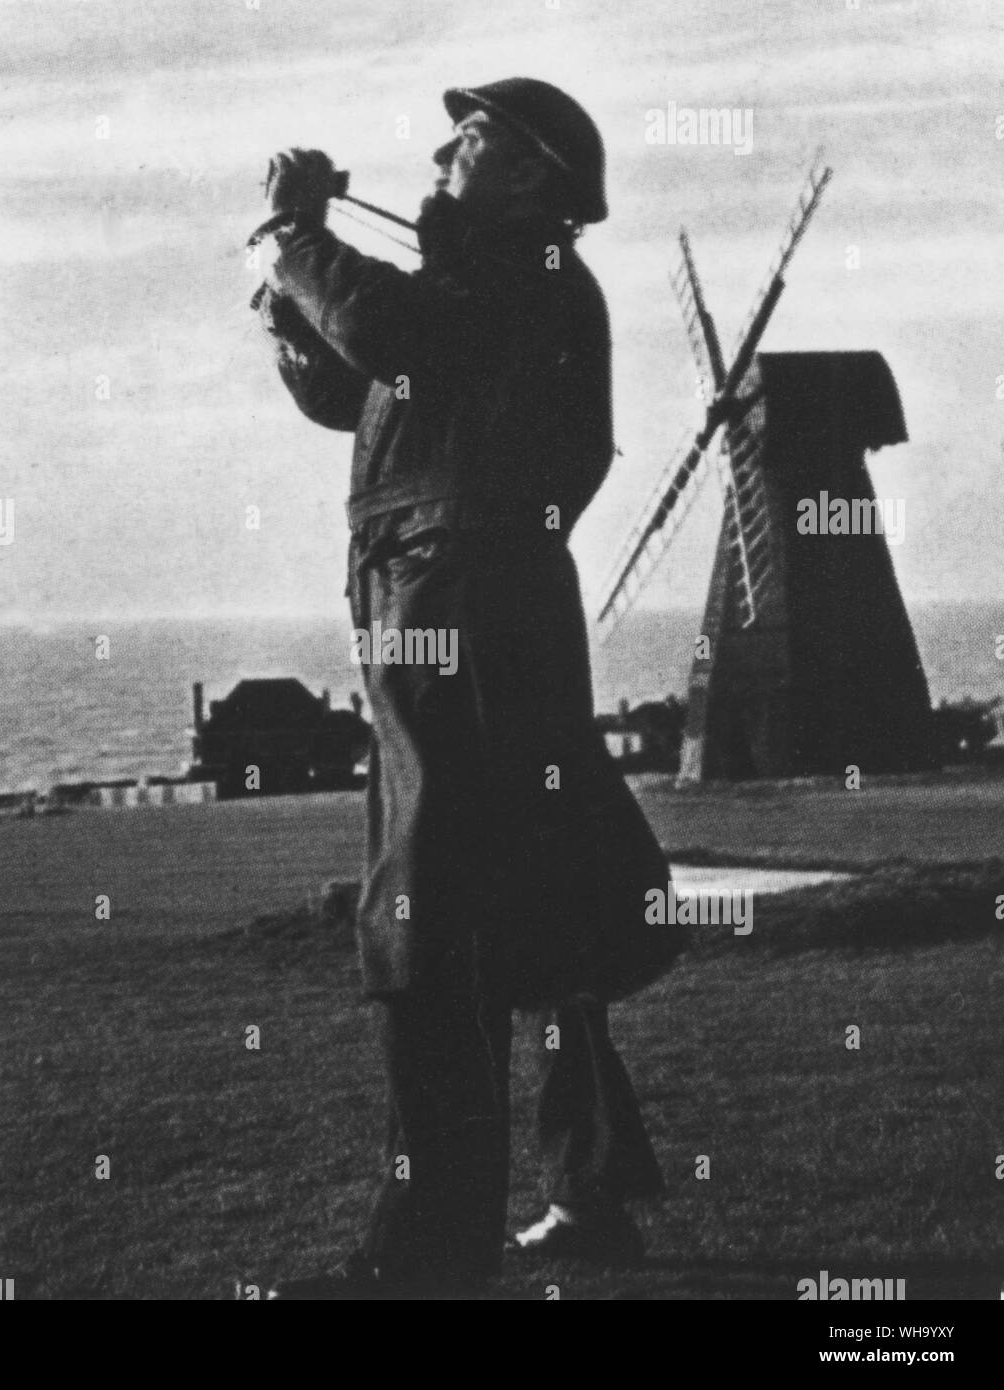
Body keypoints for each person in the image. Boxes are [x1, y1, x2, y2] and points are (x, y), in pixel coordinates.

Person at [250, 77, 685, 1300]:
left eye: (475, 135)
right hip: (450, 604)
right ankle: (586, 1194)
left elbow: (396, 341)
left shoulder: (525, 272)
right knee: (533, 904)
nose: (443, 148)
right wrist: (294, 316)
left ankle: (424, 1263)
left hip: (454, 612)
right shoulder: (495, 280)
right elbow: (360, 383)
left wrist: (297, 241)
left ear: (535, 174)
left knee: (430, 924)